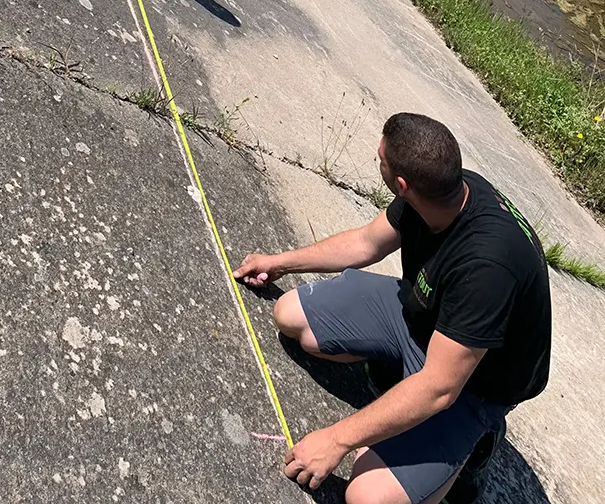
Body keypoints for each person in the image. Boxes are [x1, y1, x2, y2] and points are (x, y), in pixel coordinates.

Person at [234, 112, 552, 504]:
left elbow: (439, 387)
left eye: (379, 160)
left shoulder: (488, 268)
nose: (377, 161)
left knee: (366, 495)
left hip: (472, 382)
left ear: (401, 184)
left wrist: (336, 440)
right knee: (291, 318)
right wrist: (278, 262)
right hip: (423, 314)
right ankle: (396, 370)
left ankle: (474, 444)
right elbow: (366, 243)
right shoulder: (440, 193)